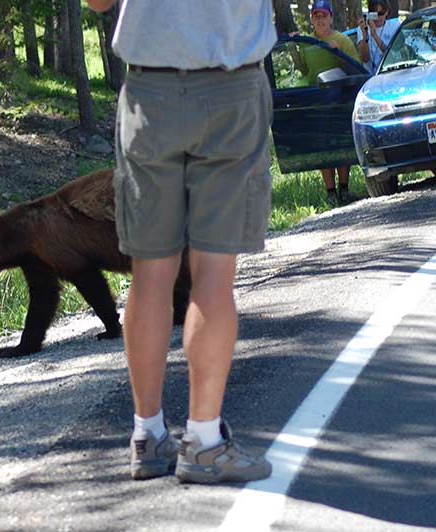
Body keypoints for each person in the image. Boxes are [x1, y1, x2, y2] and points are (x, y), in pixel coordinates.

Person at [86, 0, 274, 483]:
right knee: (213, 270)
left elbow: (97, 2)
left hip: (150, 92)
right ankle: (204, 441)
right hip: (231, 85)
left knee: (151, 271)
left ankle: (147, 434)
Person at [291, 0, 361, 207]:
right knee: (322, 147)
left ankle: (345, 189)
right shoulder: (306, 42)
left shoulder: (342, 39)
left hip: (339, 96)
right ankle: (330, 193)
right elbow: (303, 70)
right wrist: (294, 49)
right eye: (316, 16)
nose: (320, 20)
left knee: (339, 145)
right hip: (315, 98)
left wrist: (337, 52)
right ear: (312, 19)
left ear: (330, 17)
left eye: (323, 16)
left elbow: (354, 68)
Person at [357, 0, 401, 73]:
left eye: (381, 13)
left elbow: (393, 55)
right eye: (374, 14)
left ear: (387, 12)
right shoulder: (362, 28)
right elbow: (365, 58)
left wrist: (375, 36)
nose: (377, 18)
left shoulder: (394, 26)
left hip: (390, 72)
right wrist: (365, 35)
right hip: (370, 76)